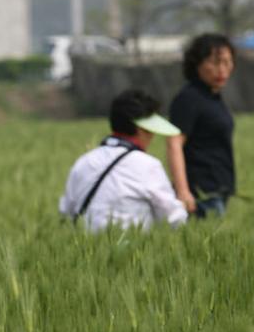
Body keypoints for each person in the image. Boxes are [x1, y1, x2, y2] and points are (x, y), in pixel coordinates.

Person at [59, 89, 190, 233]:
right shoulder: (148, 165)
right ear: (142, 129)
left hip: (86, 248)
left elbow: (67, 211)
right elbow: (173, 217)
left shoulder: (83, 162)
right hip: (133, 248)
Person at [167, 33, 237, 217]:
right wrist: (183, 191)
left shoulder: (213, 97)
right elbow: (174, 143)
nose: (222, 69)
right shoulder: (189, 98)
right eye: (215, 63)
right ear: (197, 64)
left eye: (227, 62)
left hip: (217, 190)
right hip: (199, 194)